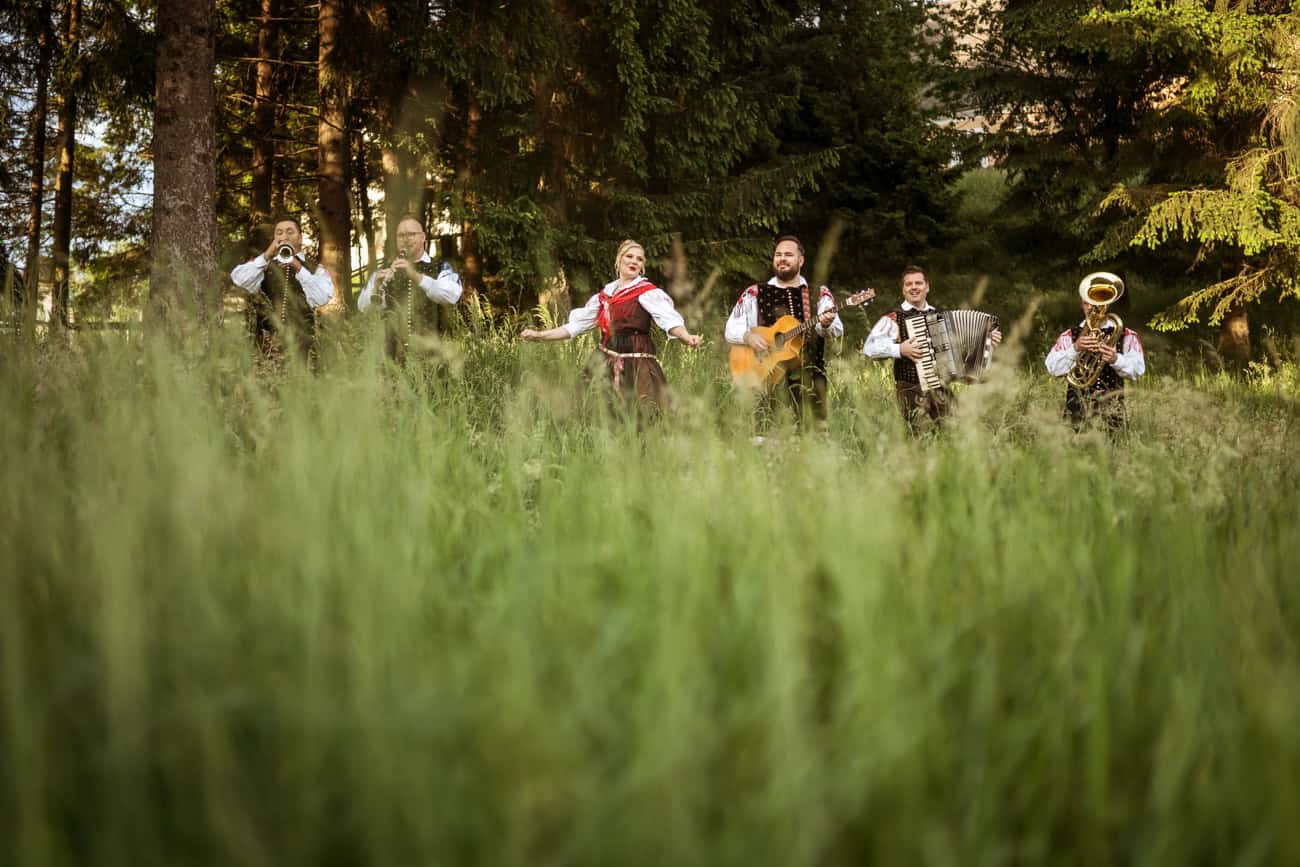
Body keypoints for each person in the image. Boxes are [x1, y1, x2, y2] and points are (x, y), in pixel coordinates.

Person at [520, 239, 702, 415]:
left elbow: (669, 320)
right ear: (619, 260)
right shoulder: (605, 296)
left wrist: (686, 337)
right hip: (603, 358)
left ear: (642, 266)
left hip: (636, 361)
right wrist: (541, 335)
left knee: (643, 414)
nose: (634, 261)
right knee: (595, 411)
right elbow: (575, 326)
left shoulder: (648, 293)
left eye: (639, 259)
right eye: (629, 256)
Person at [723, 235, 842, 432]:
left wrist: (827, 323)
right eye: (778, 255)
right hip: (766, 377)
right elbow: (731, 328)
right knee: (766, 439)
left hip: (810, 379)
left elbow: (836, 329)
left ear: (801, 260)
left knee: (812, 440)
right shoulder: (755, 292)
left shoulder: (819, 293)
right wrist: (748, 336)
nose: (782, 259)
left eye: (788, 254)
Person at [863, 265, 1001, 435]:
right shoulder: (894, 316)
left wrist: (986, 342)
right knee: (920, 439)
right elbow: (869, 348)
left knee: (958, 434)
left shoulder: (941, 317)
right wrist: (899, 349)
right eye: (909, 284)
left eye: (918, 283)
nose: (914, 287)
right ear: (903, 289)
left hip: (940, 390)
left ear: (927, 286)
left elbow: (955, 360)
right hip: (910, 390)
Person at [356, 216, 463, 363]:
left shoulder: (442, 267)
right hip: (394, 357)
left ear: (423, 237)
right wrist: (376, 286)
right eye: (401, 235)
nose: (405, 239)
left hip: (434, 356)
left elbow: (451, 295)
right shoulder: (384, 270)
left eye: (411, 234)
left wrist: (414, 274)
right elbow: (363, 307)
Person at [230, 215, 334, 361]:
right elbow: (238, 279)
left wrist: (298, 267)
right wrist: (267, 254)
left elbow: (322, 297)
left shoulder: (316, 269)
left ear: (300, 237)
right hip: (266, 348)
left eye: (290, 232)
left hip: (303, 350)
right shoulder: (262, 265)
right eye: (279, 233)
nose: (284, 236)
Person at [1045, 289, 1145, 432]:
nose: (1091, 308)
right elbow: (1053, 368)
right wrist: (1075, 348)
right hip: (1075, 414)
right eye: (1087, 303)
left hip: (1113, 413)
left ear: (1107, 304)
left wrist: (1116, 359)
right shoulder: (1069, 335)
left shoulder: (1126, 335)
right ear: (1082, 304)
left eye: (1096, 303)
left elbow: (1138, 371)